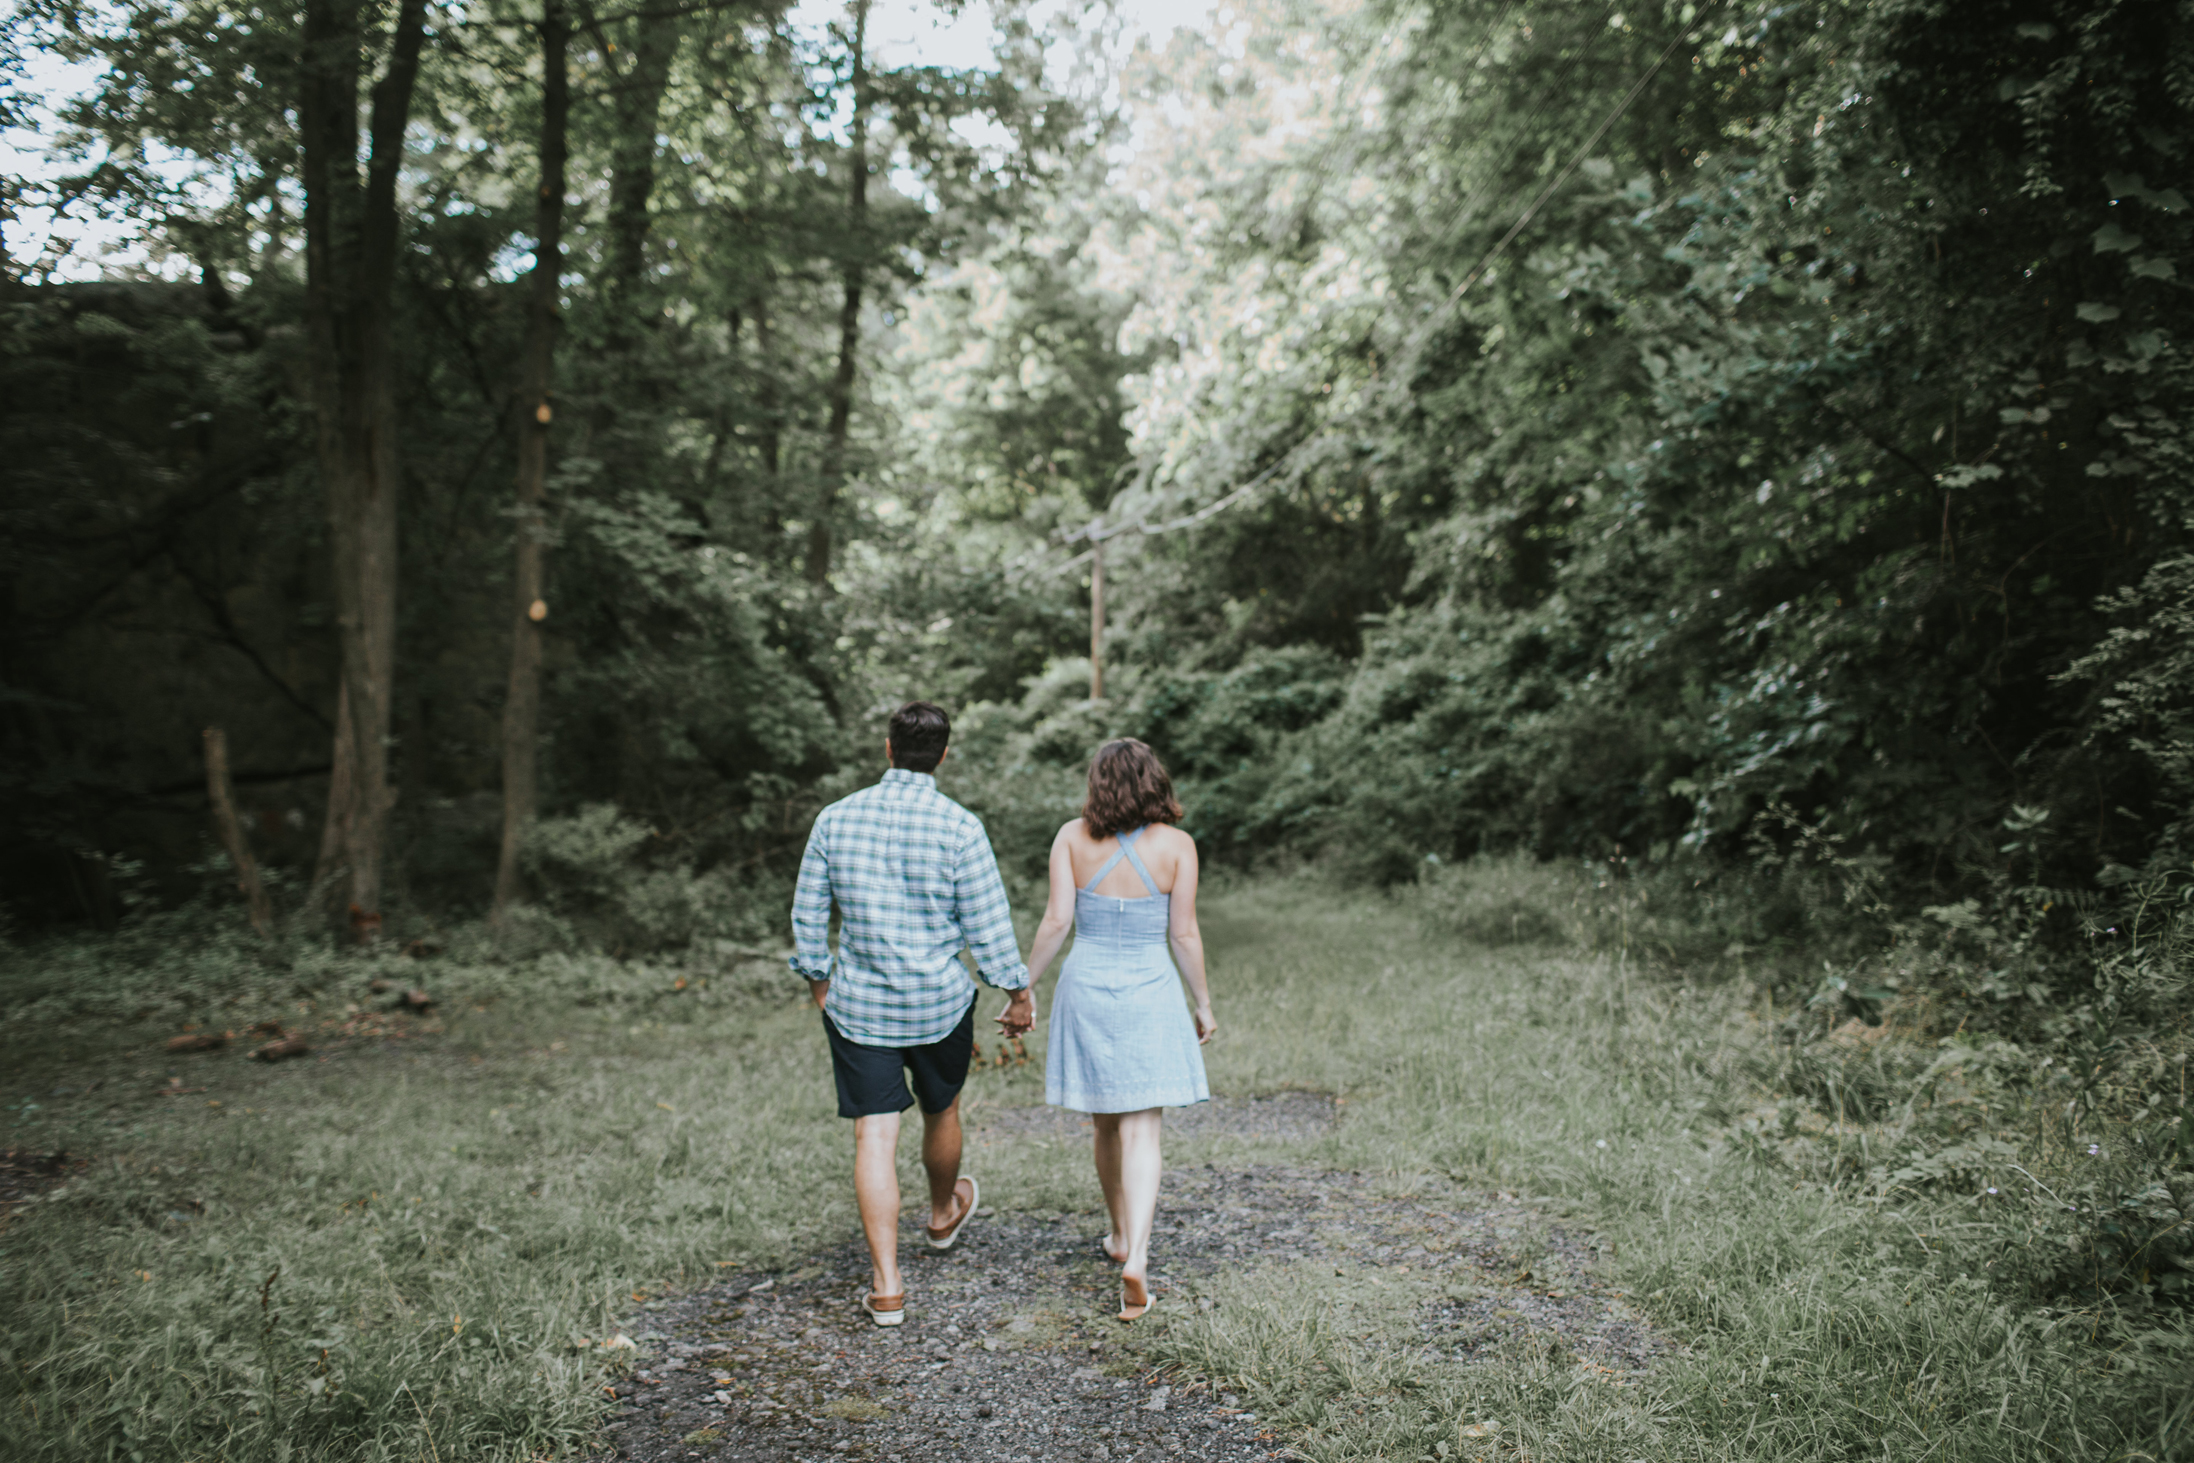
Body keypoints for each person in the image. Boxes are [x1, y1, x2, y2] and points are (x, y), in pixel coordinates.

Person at [789, 700, 1035, 1327]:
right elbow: (988, 922)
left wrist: (819, 978)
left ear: (889, 749)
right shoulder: (959, 826)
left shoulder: (836, 819)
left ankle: (888, 1285)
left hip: (860, 1006)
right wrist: (1015, 991)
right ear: (943, 755)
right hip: (940, 1003)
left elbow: (809, 913)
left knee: (875, 1131)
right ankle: (941, 1214)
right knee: (942, 1108)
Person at [1024, 737, 1215, 1321]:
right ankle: (1139, 1255)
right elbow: (1183, 934)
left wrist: (1023, 985)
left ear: (1098, 783)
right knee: (1142, 1132)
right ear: (1155, 781)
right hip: (1150, 990)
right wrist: (1202, 1003)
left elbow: (1058, 920)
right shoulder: (1178, 846)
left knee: (1104, 1124)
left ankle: (1119, 1234)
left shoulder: (1071, 837)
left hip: (1087, 987)